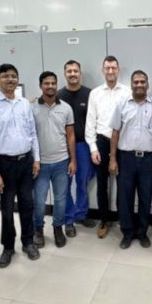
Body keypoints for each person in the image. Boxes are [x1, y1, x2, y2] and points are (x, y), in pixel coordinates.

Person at [0, 63, 40, 268]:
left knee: (27, 204)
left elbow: (32, 133)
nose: (10, 79)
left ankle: (28, 242)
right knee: (6, 208)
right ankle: (8, 247)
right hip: (4, 165)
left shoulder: (24, 104)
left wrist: (36, 159)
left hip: (26, 162)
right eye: (5, 76)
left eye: (14, 76)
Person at [109, 70, 152, 249]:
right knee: (124, 197)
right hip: (125, 158)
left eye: (142, 82)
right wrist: (113, 159)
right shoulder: (121, 104)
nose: (139, 85)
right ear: (131, 84)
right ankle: (127, 232)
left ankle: (142, 232)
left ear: (147, 84)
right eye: (136, 82)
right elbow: (115, 132)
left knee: (146, 197)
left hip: (149, 159)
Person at [85, 56, 131, 238]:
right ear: (102, 70)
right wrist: (93, 148)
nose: (110, 71)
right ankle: (104, 220)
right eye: (107, 68)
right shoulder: (95, 93)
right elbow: (90, 122)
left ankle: (122, 220)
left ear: (118, 70)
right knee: (102, 185)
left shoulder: (127, 92)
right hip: (102, 143)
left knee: (123, 185)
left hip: (122, 144)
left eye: (113, 68)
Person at [32, 71, 76, 249]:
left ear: (56, 85)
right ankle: (38, 229)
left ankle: (58, 228)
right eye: (46, 83)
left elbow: (70, 135)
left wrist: (73, 160)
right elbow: (29, 135)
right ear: (40, 85)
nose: (50, 86)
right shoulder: (31, 108)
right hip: (40, 164)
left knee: (60, 199)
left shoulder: (66, 108)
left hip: (61, 162)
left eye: (53, 83)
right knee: (39, 201)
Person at [58, 60, 96, 238]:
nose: (72, 74)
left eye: (75, 71)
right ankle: (69, 219)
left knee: (82, 182)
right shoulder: (58, 96)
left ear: (80, 73)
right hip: (63, 147)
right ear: (65, 74)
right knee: (65, 184)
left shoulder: (90, 94)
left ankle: (81, 214)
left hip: (83, 145)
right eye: (69, 71)